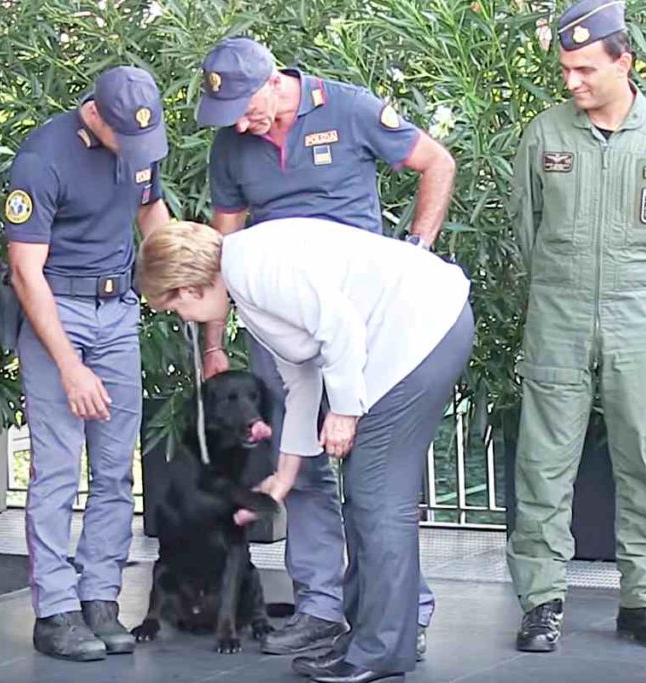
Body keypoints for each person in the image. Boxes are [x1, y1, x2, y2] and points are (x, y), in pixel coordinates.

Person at [194, 35, 457, 664]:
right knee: (301, 463)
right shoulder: (231, 145)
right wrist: (214, 343)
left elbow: (436, 162)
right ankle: (319, 608)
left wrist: (415, 250)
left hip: (359, 322)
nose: (238, 121)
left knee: (373, 477)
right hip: (283, 322)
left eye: (244, 105)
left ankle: (400, 611)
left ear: (272, 80)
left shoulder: (348, 107)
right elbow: (218, 255)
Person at [136, 218, 473, 683]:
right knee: (366, 493)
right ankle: (367, 637)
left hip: (422, 333)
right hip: (411, 334)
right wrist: (286, 475)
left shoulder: (255, 269)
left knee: (376, 497)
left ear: (188, 287)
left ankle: (381, 649)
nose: (183, 319)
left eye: (173, 307)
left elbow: (342, 329)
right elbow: (300, 380)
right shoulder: (243, 284)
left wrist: (346, 412)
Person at [505, 0, 646, 654]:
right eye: (564, 69)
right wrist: (562, 288)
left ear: (624, 61)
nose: (572, 82)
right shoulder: (546, 135)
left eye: (584, 68)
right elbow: (524, 232)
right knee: (543, 464)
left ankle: (643, 599)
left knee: (643, 459)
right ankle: (541, 600)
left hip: (639, 320)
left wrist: (645, 299)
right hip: (556, 319)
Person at [3, 66, 171, 662]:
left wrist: (178, 269)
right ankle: (55, 610)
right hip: (58, 308)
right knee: (54, 470)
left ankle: (100, 596)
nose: (136, 152)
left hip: (118, 310)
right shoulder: (43, 156)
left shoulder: (139, 142)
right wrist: (70, 365)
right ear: (95, 114)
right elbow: (26, 271)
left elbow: (153, 216)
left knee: (115, 468)